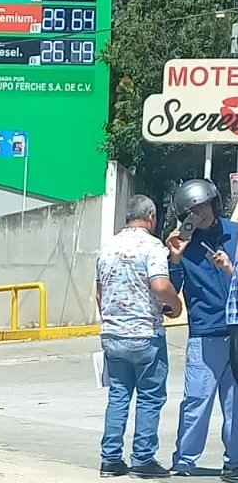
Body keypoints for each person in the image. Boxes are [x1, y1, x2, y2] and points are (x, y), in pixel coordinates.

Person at [97, 194, 183, 478]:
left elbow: (99, 292)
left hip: (112, 333)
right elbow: (159, 285)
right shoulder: (152, 246)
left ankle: (110, 459)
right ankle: (143, 460)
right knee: (149, 397)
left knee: (118, 395)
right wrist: (176, 305)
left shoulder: (107, 245)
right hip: (145, 334)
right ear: (151, 217)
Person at [166, 179, 238, 480]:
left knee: (235, 404)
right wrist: (175, 258)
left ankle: (233, 462)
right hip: (204, 333)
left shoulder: (234, 234)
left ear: (214, 203)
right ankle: (184, 460)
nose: (199, 214)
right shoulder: (183, 244)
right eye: (192, 211)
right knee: (197, 400)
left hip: (234, 330)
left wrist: (229, 267)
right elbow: (172, 292)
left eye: (203, 207)